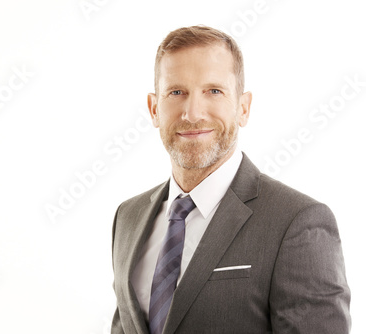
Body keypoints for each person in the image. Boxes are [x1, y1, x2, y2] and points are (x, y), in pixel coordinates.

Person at [110, 25, 351, 334]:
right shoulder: (127, 217)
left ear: (243, 107)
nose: (192, 113)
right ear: (154, 108)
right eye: (176, 92)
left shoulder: (297, 221)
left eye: (214, 91)